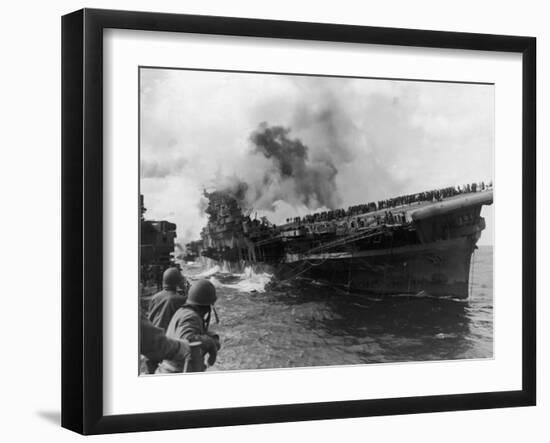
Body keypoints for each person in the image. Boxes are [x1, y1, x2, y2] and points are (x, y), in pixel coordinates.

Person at [160, 279, 220, 373]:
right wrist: (209, 342)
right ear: (207, 306)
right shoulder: (191, 316)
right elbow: (186, 339)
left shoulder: (183, 311)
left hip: (169, 369)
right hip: (177, 372)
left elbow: (194, 332)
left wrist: (211, 336)